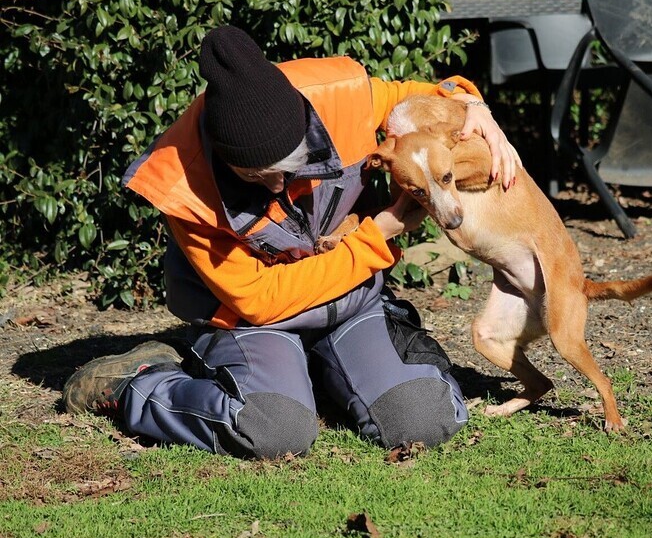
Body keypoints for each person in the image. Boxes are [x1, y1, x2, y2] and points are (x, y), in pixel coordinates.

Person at [63, 25, 520, 459]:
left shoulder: (338, 97)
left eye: (296, 165)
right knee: (273, 430)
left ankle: (311, 372)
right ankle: (138, 384)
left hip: (348, 302)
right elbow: (260, 300)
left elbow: (421, 102)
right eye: (258, 177)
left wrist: (471, 105)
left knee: (425, 419)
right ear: (224, 159)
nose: (281, 186)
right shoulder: (182, 185)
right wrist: (376, 237)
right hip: (251, 322)